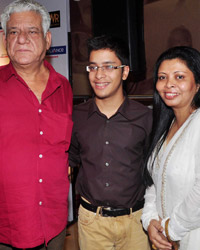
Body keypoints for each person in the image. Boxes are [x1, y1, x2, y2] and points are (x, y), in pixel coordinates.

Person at [0, 0, 73, 249]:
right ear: (4, 38)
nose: (21, 39)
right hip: (7, 228)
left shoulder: (64, 87)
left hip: (54, 224)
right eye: (13, 32)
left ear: (47, 39)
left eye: (31, 31)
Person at [69, 35, 152, 250]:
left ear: (124, 72)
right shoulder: (76, 116)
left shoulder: (146, 117)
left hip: (136, 222)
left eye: (108, 67)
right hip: (91, 222)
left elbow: (153, 170)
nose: (99, 75)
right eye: (93, 67)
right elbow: (72, 158)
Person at [141, 46, 200, 250]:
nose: (169, 84)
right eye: (162, 77)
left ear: (197, 84)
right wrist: (150, 221)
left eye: (179, 77)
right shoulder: (165, 126)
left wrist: (171, 228)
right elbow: (153, 181)